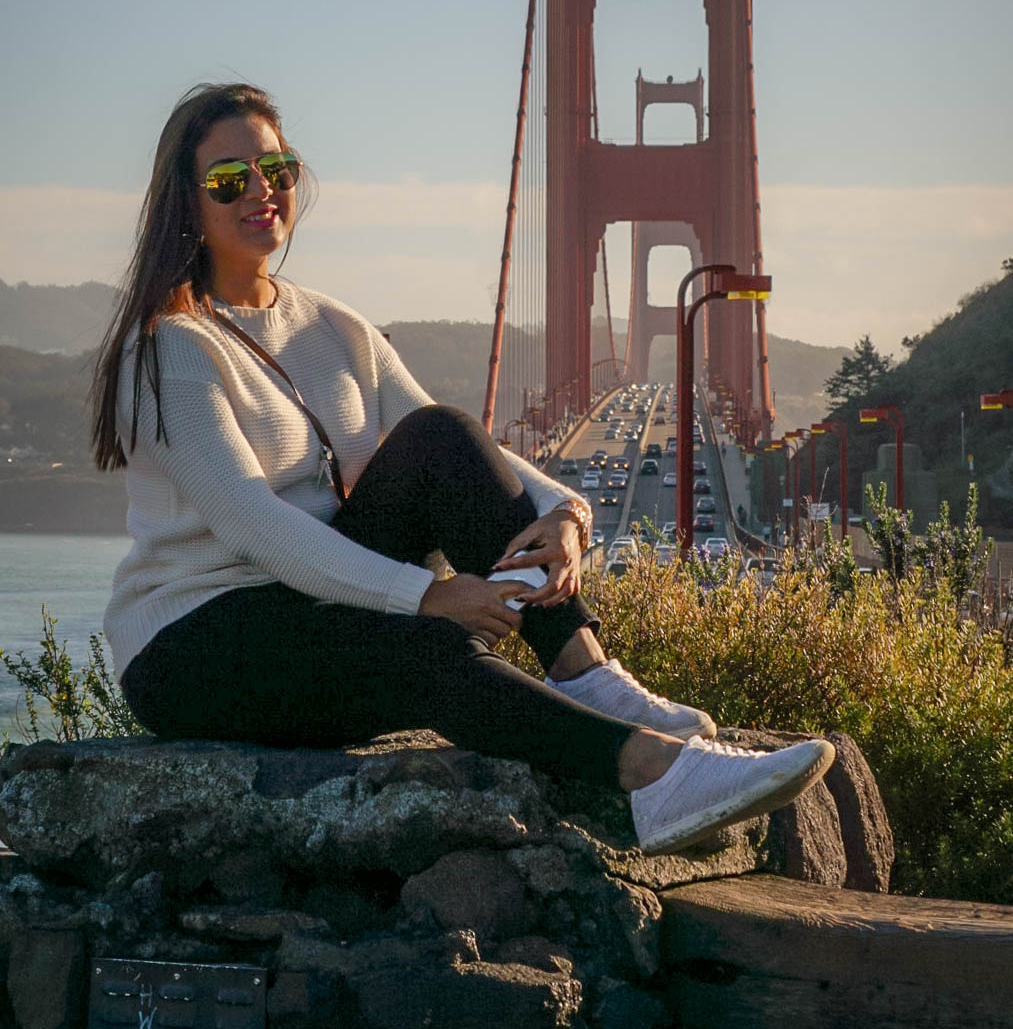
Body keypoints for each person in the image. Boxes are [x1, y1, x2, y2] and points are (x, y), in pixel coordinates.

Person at [93, 82, 834, 857]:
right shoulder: (170, 348)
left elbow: (463, 452)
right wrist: (428, 595)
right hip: (199, 642)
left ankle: (585, 673)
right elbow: (256, 527)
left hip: (315, 598)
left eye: (278, 170)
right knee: (428, 648)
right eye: (228, 179)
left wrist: (567, 513)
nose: (261, 192)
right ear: (186, 197)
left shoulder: (333, 326)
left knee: (439, 434)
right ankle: (653, 773)